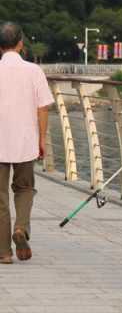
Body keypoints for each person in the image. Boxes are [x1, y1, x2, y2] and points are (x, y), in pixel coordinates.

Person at [0, 22, 54, 264]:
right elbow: (42, 107)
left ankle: (3, 252)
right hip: (25, 141)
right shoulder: (34, 71)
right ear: (20, 43)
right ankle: (21, 227)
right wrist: (41, 138)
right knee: (24, 189)